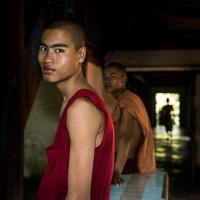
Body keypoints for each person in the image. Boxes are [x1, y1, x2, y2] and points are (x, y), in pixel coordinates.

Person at [36, 19, 114, 200]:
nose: (47, 59)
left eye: (59, 50)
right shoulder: (73, 101)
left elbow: (78, 196)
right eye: (43, 49)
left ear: (81, 54)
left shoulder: (81, 109)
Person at [103, 62, 156, 185]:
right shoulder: (125, 100)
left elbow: (126, 138)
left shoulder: (128, 103)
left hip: (126, 164)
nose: (107, 81)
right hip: (124, 161)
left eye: (113, 77)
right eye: (105, 77)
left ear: (124, 78)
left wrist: (116, 171)